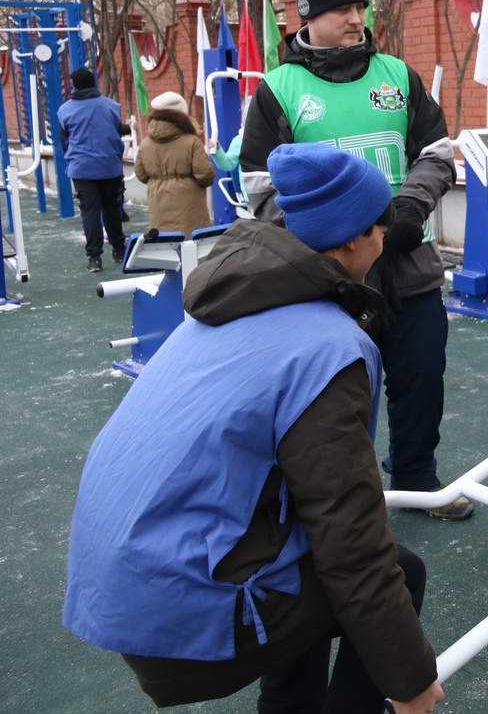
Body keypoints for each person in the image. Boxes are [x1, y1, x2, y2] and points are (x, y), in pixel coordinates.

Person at [63, 143, 446, 714]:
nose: (387, 238)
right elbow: (353, 544)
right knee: (395, 570)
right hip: (172, 606)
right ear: (350, 238)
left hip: (118, 575)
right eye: (381, 226)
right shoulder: (328, 349)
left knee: (302, 560)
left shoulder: (237, 300)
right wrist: (412, 685)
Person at [240, 0, 472, 521]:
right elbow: (260, 189)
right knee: (335, 395)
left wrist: (409, 212)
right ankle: (343, 499)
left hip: (406, 261)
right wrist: (330, 237)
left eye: (360, 7)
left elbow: (438, 154)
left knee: (421, 376)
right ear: (306, 17)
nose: (355, 18)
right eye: (341, 8)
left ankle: (418, 480)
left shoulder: (398, 77)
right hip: (329, 275)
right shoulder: (278, 91)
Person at [57, 67, 129, 272]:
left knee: (89, 211)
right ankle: (118, 248)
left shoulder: (65, 110)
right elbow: (115, 131)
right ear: (93, 82)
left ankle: (95, 258)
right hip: (109, 165)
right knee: (112, 208)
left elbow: (65, 141)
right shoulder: (111, 106)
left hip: (82, 167)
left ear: (74, 85)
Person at [134, 91, 215, 236]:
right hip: (190, 207)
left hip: (158, 204)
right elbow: (205, 174)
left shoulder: (145, 144)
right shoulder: (192, 141)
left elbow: (140, 174)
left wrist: (158, 181)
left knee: (166, 246)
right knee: (192, 246)